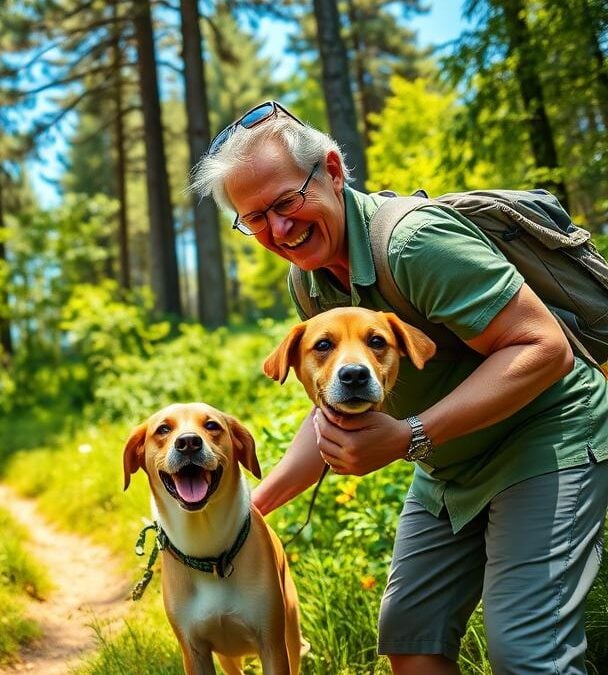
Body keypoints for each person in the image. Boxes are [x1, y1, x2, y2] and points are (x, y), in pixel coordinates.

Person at [188, 100, 608, 674]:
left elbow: (544, 348)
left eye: (286, 202)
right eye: (255, 218)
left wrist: (411, 435)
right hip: (448, 464)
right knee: (412, 642)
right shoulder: (309, 282)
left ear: (332, 171)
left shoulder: (414, 243)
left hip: (546, 438)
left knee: (527, 653)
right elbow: (329, 419)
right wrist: (239, 516)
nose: (279, 229)